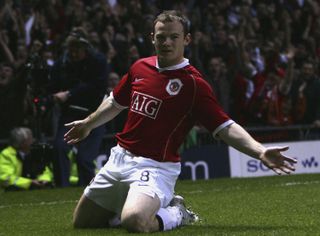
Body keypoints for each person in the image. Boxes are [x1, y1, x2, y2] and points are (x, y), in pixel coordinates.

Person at [64, 11, 297, 233]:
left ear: (186, 39)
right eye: (161, 36)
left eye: (174, 37)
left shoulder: (194, 85)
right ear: (152, 38)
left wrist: (260, 152)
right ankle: (130, 206)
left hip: (155, 167)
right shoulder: (139, 67)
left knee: (135, 222)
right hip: (119, 159)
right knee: (82, 223)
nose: (167, 42)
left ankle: (176, 212)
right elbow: (115, 102)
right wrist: (87, 123)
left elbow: (224, 127)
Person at [49, 27, 108, 187]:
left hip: (95, 115)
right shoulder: (61, 64)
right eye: (71, 49)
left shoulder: (98, 61)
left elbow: (96, 86)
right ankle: (62, 188)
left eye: (77, 49)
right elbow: (53, 86)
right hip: (70, 114)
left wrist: (69, 93)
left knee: (85, 158)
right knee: (59, 148)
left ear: (85, 48)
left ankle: (90, 192)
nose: (74, 53)